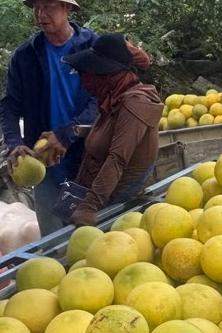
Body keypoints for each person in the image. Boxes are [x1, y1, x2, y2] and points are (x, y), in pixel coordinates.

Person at [0, 0, 98, 235]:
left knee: (90, 237)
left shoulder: (91, 47)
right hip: (43, 166)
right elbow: (9, 106)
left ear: (67, 7)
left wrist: (66, 134)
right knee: (54, 243)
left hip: (87, 160)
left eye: (49, 6)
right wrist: (14, 142)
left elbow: (100, 101)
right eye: (36, 6)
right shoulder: (26, 56)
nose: (41, 14)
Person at [61, 34, 164, 226]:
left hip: (113, 202)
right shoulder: (113, 98)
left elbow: (118, 159)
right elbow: (109, 135)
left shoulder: (136, 103)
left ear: (107, 75)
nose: (83, 81)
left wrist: (90, 206)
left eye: (86, 75)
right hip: (90, 188)